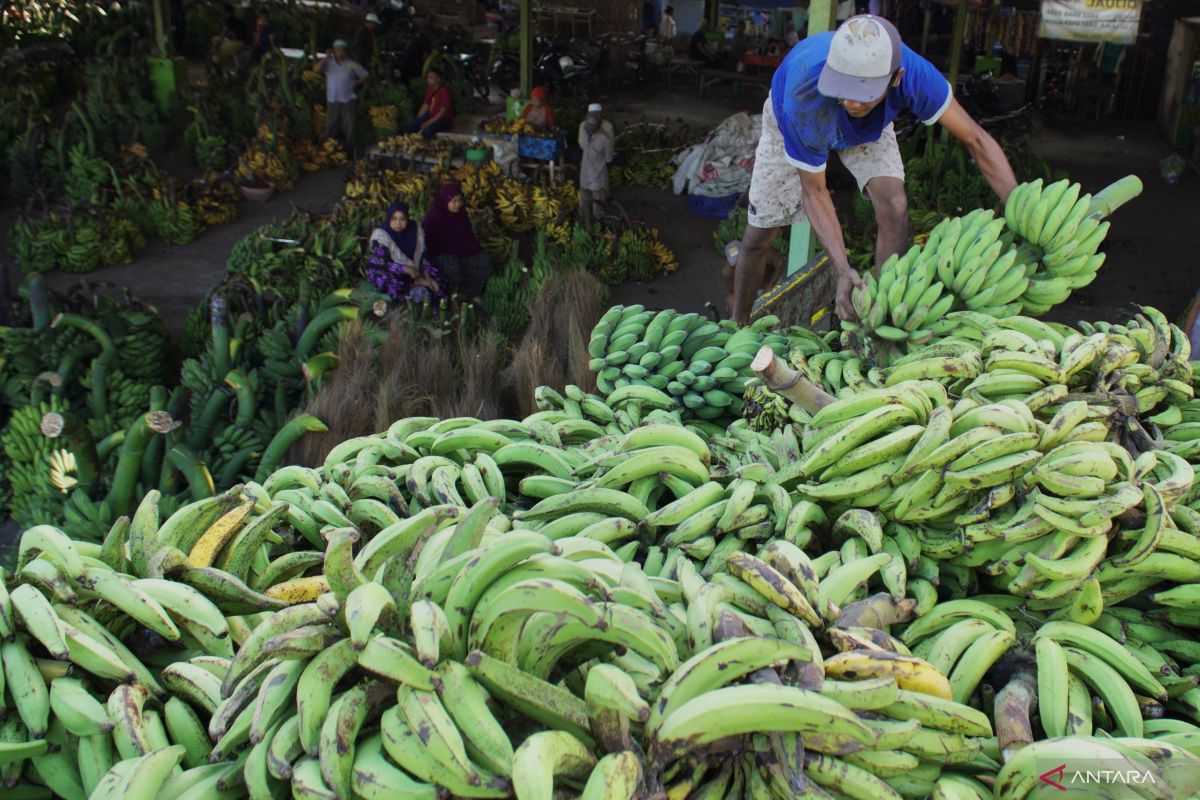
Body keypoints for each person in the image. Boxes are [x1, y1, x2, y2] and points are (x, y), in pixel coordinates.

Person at [730, 15, 1017, 324]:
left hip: (868, 129)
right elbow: (814, 190)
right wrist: (842, 269)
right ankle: (738, 323)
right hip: (798, 119)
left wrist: (1020, 205)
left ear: (896, 78)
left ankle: (880, 314)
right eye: (844, 88)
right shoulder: (805, 94)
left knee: (894, 203)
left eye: (863, 92)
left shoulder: (916, 76)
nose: (852, 102)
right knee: (760, 233)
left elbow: (976, 139)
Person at [423, 185, 494, 303]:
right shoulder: (434, 216)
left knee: (483, 261)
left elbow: (468, 236)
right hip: (439, 253)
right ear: (445, 201)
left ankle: (472, 294)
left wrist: (475, 250)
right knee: (452, 267)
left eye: (460, 200)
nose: (458, 204)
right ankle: (452, 298)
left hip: (461, 250)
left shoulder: (461, 214)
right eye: (454, 201)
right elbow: (427, 242)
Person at [367, 202, 441, 302]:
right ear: (389, 218)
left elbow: (424, 255)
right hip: (388, 270)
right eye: (394, 219)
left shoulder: (415, 229)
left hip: (415, 271)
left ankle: (421, 284)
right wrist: (406, 269)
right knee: (391, 283)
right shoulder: (381, 235)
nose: (398, 223)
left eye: (402, 219)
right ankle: (415, 284)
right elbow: (382, 263)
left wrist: (427, 275)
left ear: (407, 218)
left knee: (438, 280)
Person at [312, 39, 369, 153]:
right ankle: (329, 148)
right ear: (334, 51)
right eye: (338, 50)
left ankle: (349, 149)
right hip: (332, 98)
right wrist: (326, 57)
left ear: (346, 51)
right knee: (331, 124)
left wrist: (356, 83)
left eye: (342, 50)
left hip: (348, 98)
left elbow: (366, 75)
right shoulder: (328, 63)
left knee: (349, 125)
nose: (340, 53)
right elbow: (315, 70)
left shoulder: (351, 63)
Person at [577, 103, 614, 233]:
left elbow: (609, 158)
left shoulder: (605, 138)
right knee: (588, 201)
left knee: (594, 202)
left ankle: (596, 226)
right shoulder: (588, 130)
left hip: (595, 174)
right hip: (587, 173)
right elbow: (608, 158)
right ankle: (586, 223)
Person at [723, 240, 784, 318]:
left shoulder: (763, 254)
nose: (739, 267)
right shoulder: (728, 273)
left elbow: (780, 263)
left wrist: (769, 288)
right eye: (735, 266)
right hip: (749, 288)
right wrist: (734, 318)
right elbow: (731, 295)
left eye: (740, 262)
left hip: (769, 282)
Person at [404, 68, 454, 140]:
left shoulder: (444, 91)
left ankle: (425, 147)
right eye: (428, 77)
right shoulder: (429, 89)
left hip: (443, 119)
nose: (428, 80)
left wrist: (428, 123)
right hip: (430, 116)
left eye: (431, 77)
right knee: (411, 124)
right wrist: (418, 120)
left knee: (428, 129)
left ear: (438, 79)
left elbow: (442, 112)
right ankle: (410, 143)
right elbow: (425, 105)